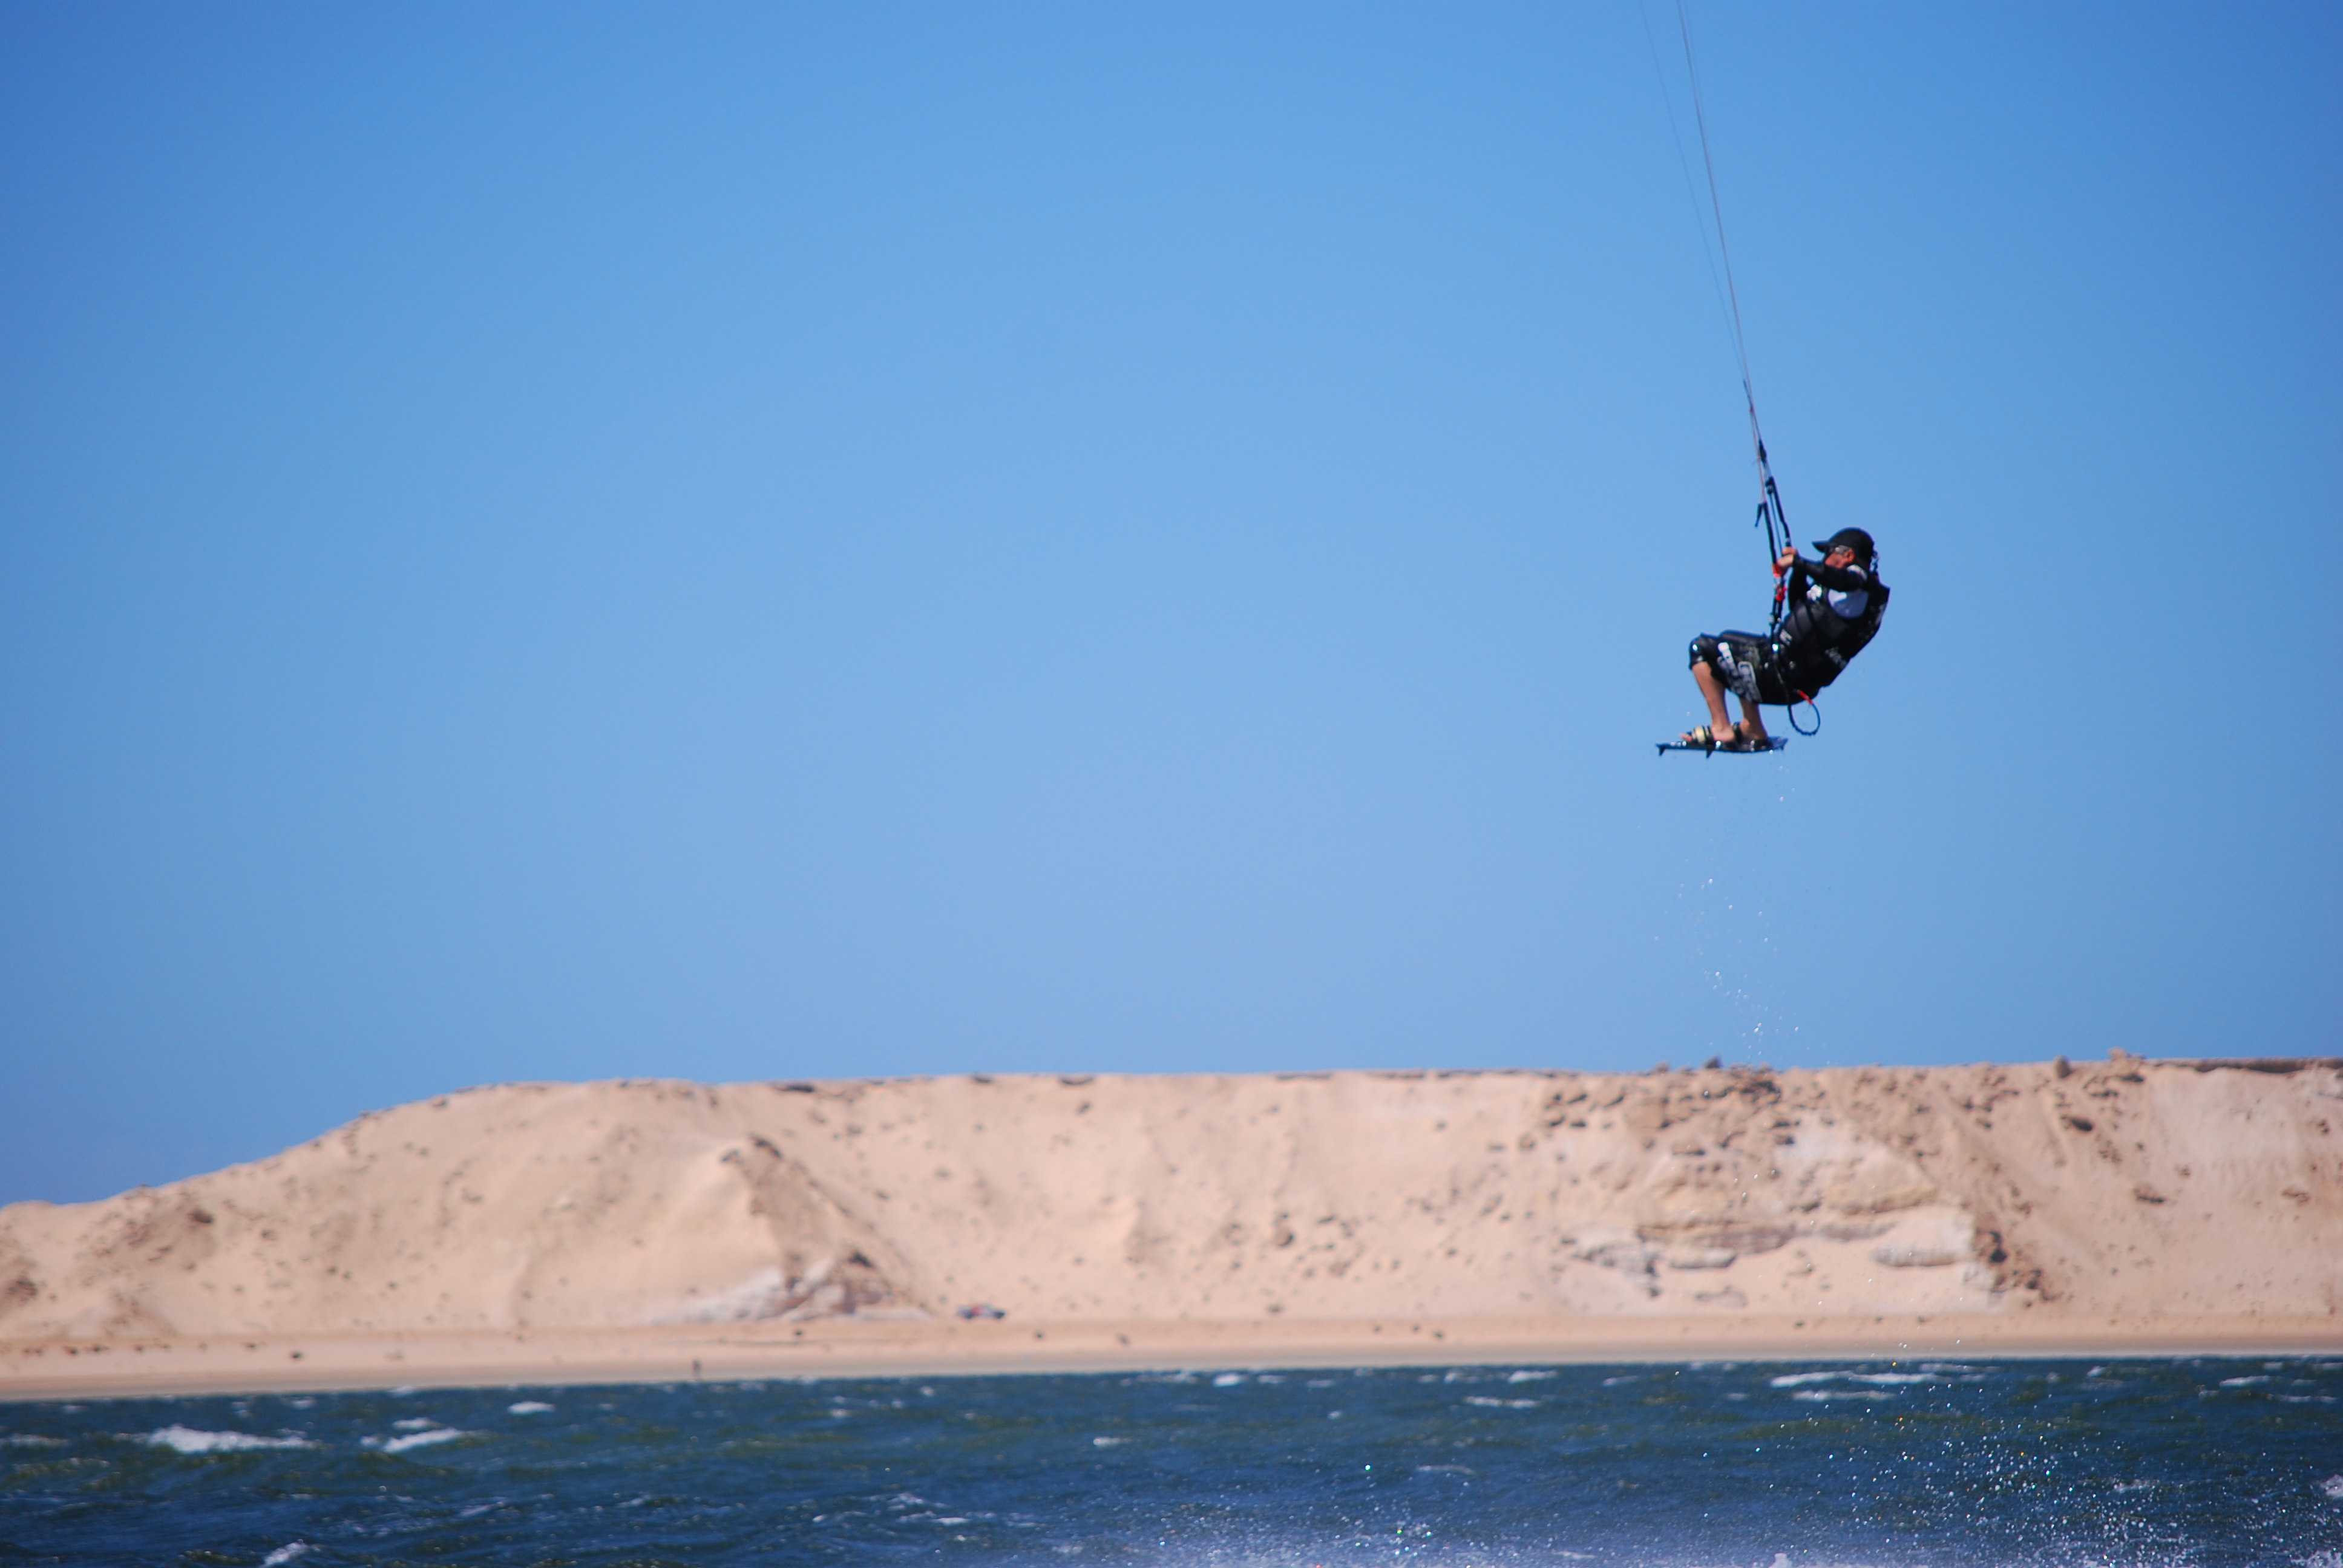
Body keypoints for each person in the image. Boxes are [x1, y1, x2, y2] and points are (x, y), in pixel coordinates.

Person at [1682, 527, 1886, 751]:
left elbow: (1845, 580)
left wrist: (1799, 564)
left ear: (1849, 556)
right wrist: (1798, 571)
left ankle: (1721, 727)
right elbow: (1800, 606)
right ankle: (1753, 728)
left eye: (1829, 554)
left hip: (1783, 674)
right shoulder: (1848, 597)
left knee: (1701, 648)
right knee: (1736, 646)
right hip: (1791, 676)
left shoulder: (1857, 583)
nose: (1824, 560)